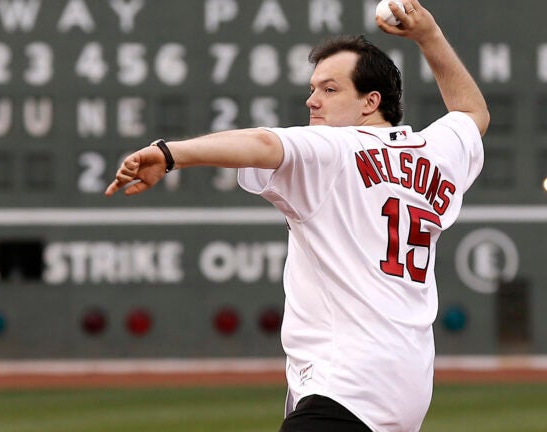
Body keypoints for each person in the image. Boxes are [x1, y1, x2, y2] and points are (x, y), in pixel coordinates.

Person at [105, 0, 489, 430]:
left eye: (329, 89)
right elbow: (472, 114)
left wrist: (169, 153)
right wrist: (429, 36)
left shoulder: (334, 148)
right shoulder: (434, 153)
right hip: (409, 380)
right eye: (313, 88)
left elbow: (264, 144)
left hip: (346, 383)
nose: (312, 100)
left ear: (370, 102)